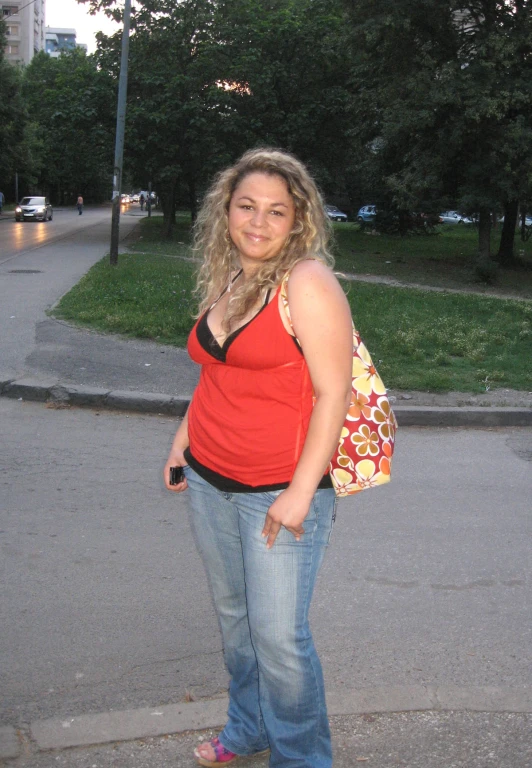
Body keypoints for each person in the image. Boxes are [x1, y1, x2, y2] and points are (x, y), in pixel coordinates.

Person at [164, 148, 353, 768]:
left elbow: (334, 392)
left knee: (279, 639)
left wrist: (300, 493)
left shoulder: (307, 282)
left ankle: (302, 759)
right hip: (210, 478)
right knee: (236, 622)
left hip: (279, 486)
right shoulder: (230, 275)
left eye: (277, 211)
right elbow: (215, 371)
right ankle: (248, 729)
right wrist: (181, 443)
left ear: (298, 219)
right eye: (247, 206)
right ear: (227, 210)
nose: (259, 222)